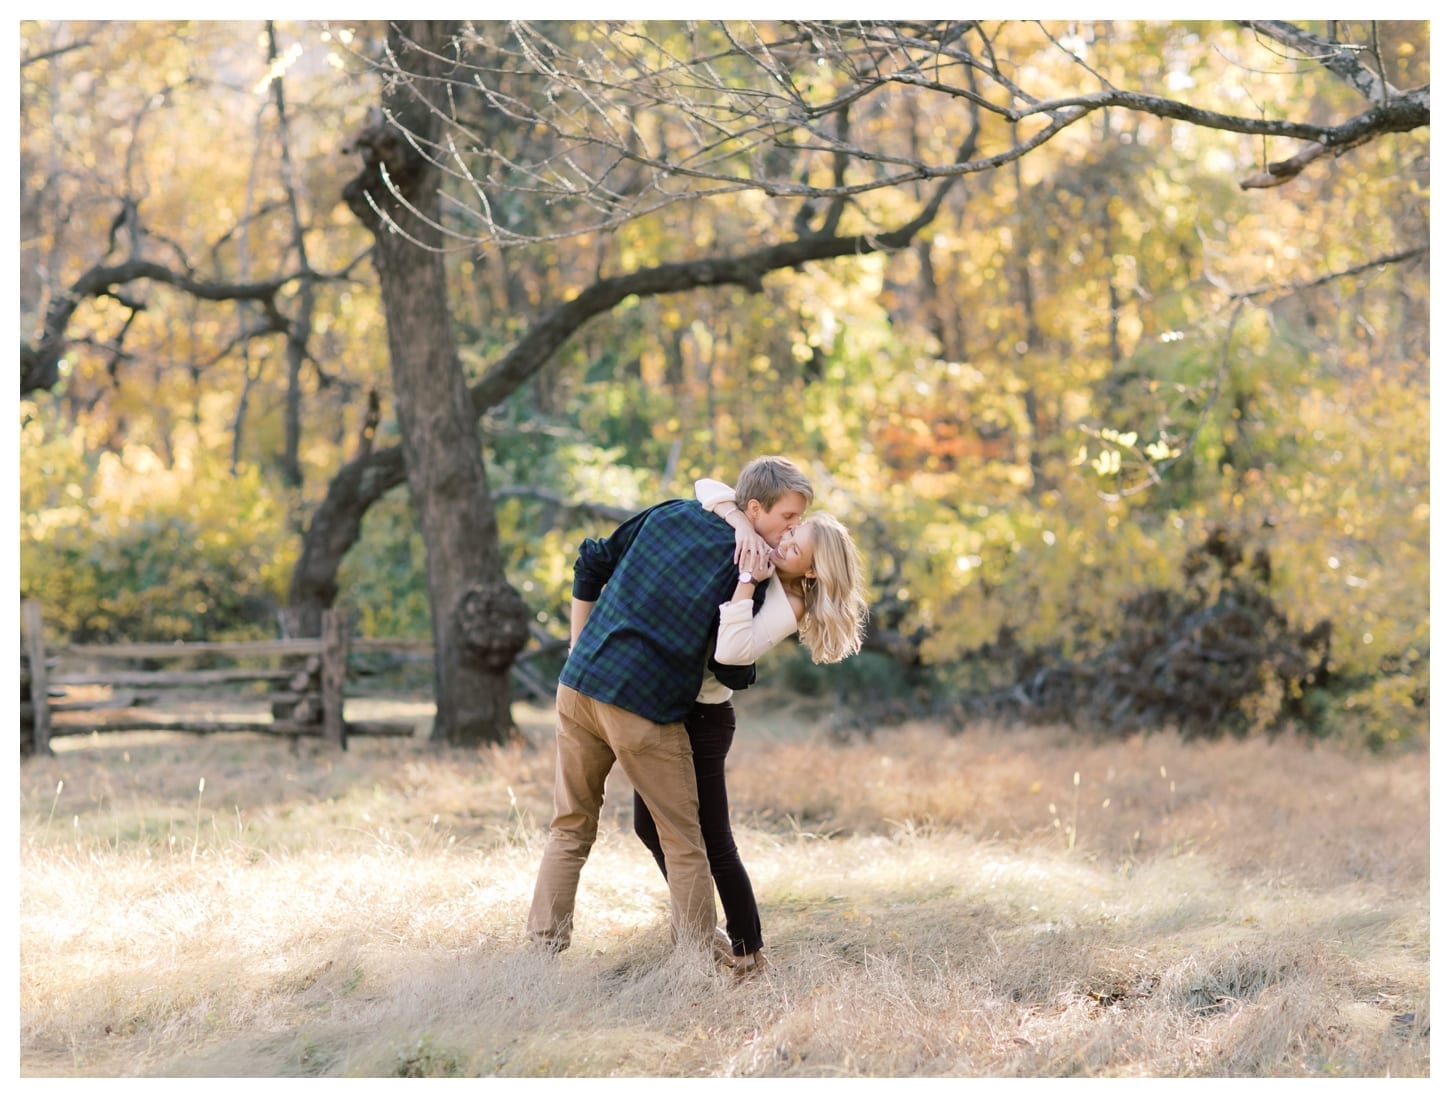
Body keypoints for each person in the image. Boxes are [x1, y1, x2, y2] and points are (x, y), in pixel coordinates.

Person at [526, 457, 814, 957]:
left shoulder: (668, 512)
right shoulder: (751, 569)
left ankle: (539, 951)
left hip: (578, 685)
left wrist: (580, 649)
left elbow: (592, 560)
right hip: (643, 704)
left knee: (569, 826)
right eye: (788, 518)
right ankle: (697, 968)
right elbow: (729, 668)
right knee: (684, 843)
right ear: (754, 508)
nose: (793, 528)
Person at [633, 477, 869, 977]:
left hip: (705, 719)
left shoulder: (790, 603)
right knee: (647, 827)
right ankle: (710, 929)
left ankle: (747, 949)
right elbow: (707, 486)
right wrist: (741, 521)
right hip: (676, 704)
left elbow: (730, 652)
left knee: (713, 837)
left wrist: (745, 581)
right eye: (791, 531)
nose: (784, 541)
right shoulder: (764, 548)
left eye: (795, 546)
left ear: (813, 569)